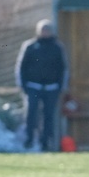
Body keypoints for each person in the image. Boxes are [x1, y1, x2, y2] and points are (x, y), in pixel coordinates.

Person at [16, 20, 68, 151]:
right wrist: (23, 85)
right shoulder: (30, 46)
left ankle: (46, 141)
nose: (45, 32)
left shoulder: (57, 47)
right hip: (33, 86)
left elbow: (63, 68)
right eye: (43, 30)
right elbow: (21, 67)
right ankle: (29, 139)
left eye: (47, 30)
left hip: (51, 88)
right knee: (31, 113)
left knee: (48, 115)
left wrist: (61, 86)